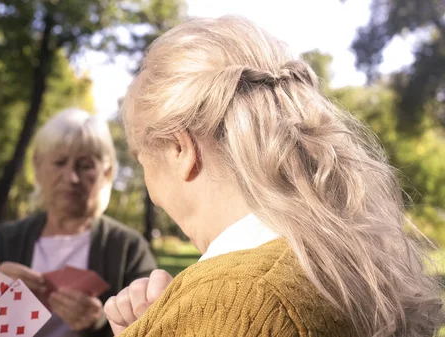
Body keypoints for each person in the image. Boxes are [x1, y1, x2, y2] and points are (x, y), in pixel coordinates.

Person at [103, 15, 445, 337]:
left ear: (181, 149)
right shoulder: (337, 267)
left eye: (141, 159)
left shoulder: (240, 297)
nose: (151, 191)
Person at [0, 108, 157, 337]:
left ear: (106, 173)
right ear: (38, 165)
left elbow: (156, 325)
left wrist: (100, 321)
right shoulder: (3, 241)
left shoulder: (128, 249)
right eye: (60, 162)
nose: (71, 177)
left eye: (85, 166)